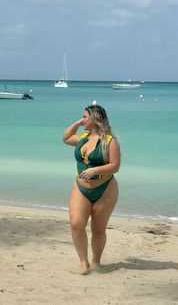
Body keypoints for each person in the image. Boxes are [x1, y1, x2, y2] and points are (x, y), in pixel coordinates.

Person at [63, 104, 120, 274]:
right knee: (76, 224)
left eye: (85, 117)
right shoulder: (82, 137)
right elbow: (65, 138)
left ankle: (96, 262)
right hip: (80, 188)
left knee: (98, 229)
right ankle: (83, 263)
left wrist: (95, 170)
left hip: (105, 189)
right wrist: (78, 122)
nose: (83, 120)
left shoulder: (110, 141)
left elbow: (115, 166)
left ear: (95, 119)